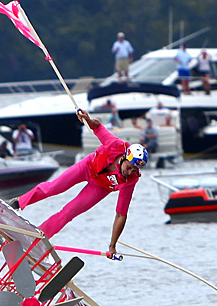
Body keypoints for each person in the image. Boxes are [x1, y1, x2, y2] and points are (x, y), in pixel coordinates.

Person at [11, 109, 147, 259]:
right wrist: (86, 119)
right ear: (125, 157)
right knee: (54, 188)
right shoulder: (116, 145)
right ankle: (18, 202)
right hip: (87, 167)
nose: (129, 172)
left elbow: (121, 215)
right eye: (129, 168)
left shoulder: (131, 180)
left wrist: (112, 246)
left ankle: (37, 238)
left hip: (99, 188)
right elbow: (98, 127)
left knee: (68, 213)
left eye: (134, 170)